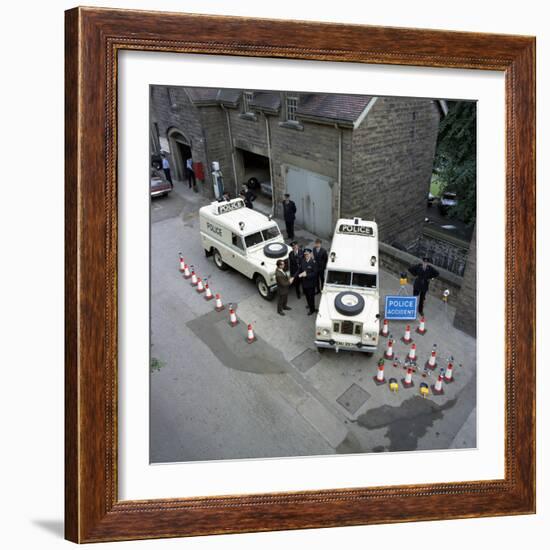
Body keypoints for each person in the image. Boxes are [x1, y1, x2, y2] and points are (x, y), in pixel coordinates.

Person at [298, 248, 319, 315]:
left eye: (307, 254)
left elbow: (315, 273)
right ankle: (310, 305)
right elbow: (300, 269)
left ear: (310, 254)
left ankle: (312, 310)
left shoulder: (314, 262)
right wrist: (296, 276)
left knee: (311, 297)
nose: (306, 256)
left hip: (311, 284)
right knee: (307, 296)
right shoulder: (303, 260)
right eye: (305, 254)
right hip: (304, 284)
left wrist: (306, 275)